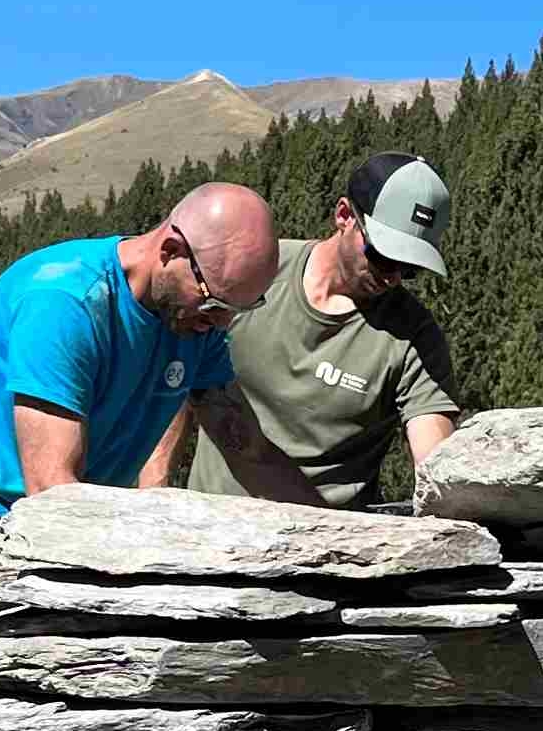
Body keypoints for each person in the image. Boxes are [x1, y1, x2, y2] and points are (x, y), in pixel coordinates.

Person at [0, 181, 313, 543]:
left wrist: (335, 532)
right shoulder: (66, 303)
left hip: (75, 513)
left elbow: (247, 448)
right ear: (170, 250)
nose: (221, 323)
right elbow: (50, 489)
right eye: (214, 303)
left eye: (239, 309)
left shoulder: (194, 321)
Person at [182, 150, 468, 508]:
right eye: (383, 256)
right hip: (211, 523)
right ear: (344, 215)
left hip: (327, 547)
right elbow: (176, 371)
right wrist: (154, 492)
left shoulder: (415, 336)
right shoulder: (256, 275)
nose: (393, 277)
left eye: (410, 268)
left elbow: (435, 465)